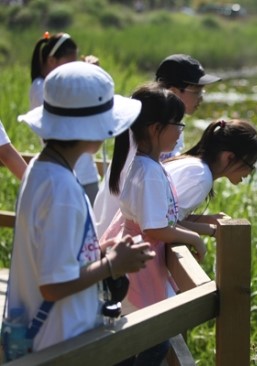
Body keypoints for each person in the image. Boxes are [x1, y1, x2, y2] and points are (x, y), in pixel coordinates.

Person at [5, 61, 154, 354]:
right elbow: (53, 286)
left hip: (48, 336)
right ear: (95, 127)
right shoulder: (60, 188)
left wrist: (99, 250)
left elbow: (51, 253)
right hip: (59, 344)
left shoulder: (43, 167)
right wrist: (113, 264)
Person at [101, 84, 207, 365]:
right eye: (177, 124)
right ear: (154, 128)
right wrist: (194, 239)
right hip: (141, 262)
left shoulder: (147, 164)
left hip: (137, 255)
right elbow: (153, 227)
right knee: (153, 339)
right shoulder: (148, 171)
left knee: (135, 338)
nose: (181, 131)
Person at [94, 53, 221, 237]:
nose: (201, 98)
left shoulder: (159, 129)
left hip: (131, 226)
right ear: (173, 90)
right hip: (123, 229)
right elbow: (156, 222)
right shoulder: (148, 130)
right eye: (197, 91)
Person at [28, 31, 101, 203]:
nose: (73, 69)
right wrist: (90, 75)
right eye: (70, 64)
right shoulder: (41, 87)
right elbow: (76, 107)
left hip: (84, 173)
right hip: (69, 173)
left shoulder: (47, 86)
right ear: (51, 61)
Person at [163, 119, 257, 236]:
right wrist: (213, 231)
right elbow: (164, 223)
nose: (250, 172)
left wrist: (208, 219)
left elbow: (170, 217)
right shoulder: (200, 177)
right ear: (229, 157)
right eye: (250, 164)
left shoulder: (194, 166)